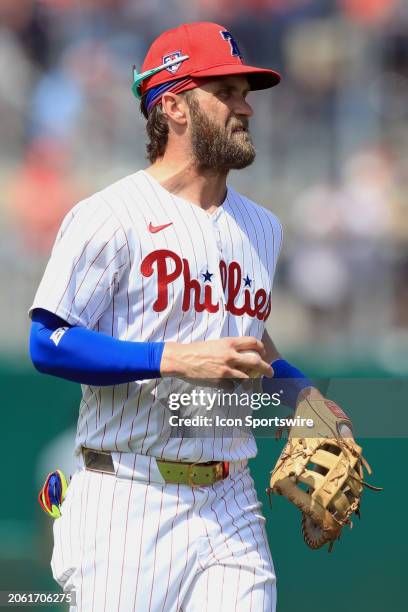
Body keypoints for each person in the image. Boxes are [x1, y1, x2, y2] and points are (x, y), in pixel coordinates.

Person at [29, 21, 323, 612]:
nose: (246, 108)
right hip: (128, 496)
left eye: (246, 93)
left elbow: (246, 337)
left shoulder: (262, 227)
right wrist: (170, 359)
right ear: (173, 106)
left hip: (230, 499)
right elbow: (48, 342)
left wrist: (304, 396)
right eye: (227, 92)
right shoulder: (109, 215)